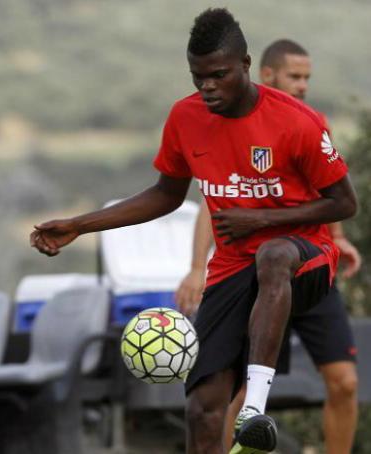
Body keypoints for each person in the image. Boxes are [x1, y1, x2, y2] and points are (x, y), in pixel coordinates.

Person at [29, 9, 357, 454]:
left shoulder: (297, 121)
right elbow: (165, 194)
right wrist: (79, 225)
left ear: (245, 65)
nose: (207, 87)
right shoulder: (185, 118)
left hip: (306, 256)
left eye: (218, 75)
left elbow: (344, 202)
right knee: (202, 408)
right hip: (232, 267)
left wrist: (258, 220)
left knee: (274, 257)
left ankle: (254, 409)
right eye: (198, 77)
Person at [175, 38, 360, 453]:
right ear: (267, 74)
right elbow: (215, 202)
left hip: (308, 264)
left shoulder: (308, 121)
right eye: (295, 76)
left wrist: (340, 239)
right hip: (253, 271)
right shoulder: (235, 124)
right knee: (233, 395)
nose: (303, 85)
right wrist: (196, 266)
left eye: (308, 78)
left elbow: (326, 196)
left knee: (345, 382)